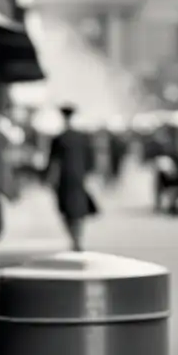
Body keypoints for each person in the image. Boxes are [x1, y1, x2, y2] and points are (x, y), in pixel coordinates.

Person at [46, 104, 97, 251]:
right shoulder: (82, 137)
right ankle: (78, 238)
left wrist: (49, 179)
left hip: (64, 178)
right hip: (78, 177)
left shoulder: (59, 138)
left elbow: (52, 162)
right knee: (78, 209)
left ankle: (74, 239)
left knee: (66, 210)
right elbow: (90, 159)